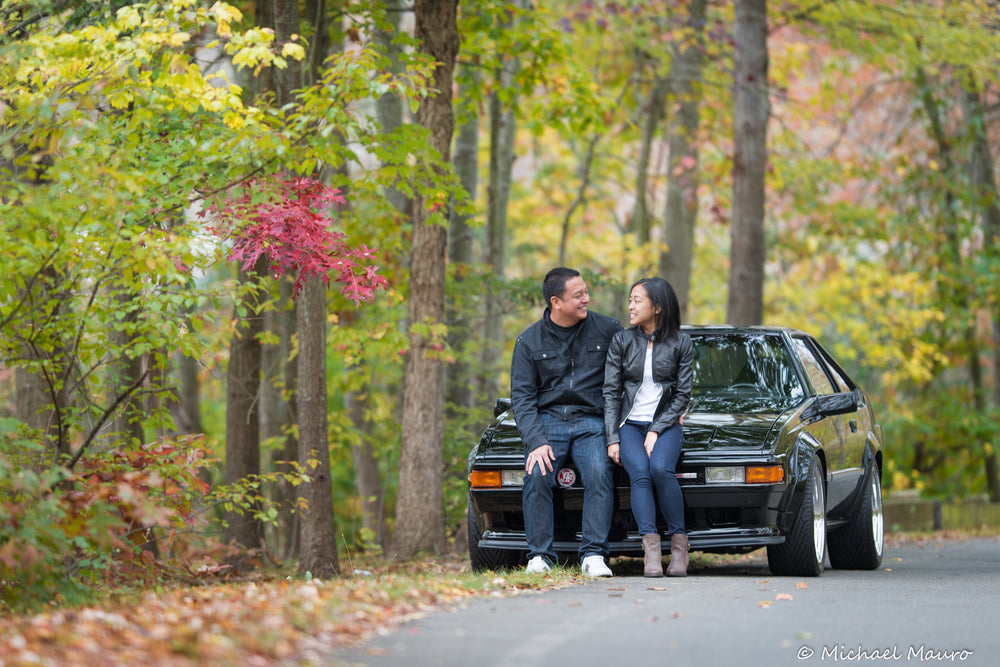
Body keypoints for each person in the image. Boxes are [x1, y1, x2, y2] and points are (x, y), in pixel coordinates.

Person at [510, 267, 623, 577]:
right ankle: (540, 556)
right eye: (579, 295)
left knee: (600, 473)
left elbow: (634, 374)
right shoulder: (528, 341)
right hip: (548, 423)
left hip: (592, 421)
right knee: (536, 475)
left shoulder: (609, 329)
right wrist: (535, 441)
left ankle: (594, 554)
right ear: (556, 302)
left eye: (586, 292)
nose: (586, 299)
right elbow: (521, 397)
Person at [603, 277, 693, 577]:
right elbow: (611, 392)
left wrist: (657, 428)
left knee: (660, 470)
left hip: (665, 425)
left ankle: (679, 548)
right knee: (639, 473)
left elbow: (682, 394)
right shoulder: (622, 341)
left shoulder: (681, 342)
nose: (630, 305)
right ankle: (651, 552)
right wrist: (612, 437)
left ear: (657, 306)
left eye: (637, 300)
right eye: (630, 299)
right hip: (629, 425)